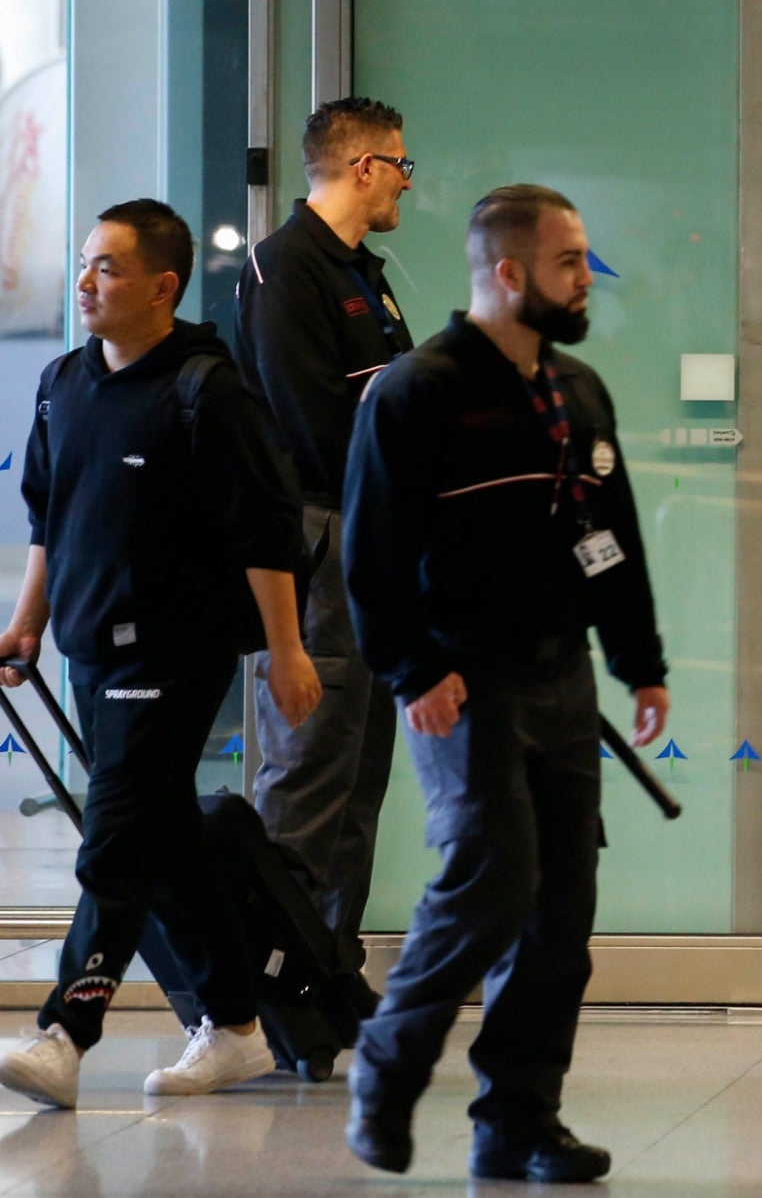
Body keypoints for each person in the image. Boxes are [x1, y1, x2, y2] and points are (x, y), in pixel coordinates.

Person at [340, 184, 669, 1185]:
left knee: (560, 909)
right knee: (494, 883)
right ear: (510, 272)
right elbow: (372, 557)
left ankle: (519, 1121)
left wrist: (639, 662)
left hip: (562, 679)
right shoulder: (418, 391)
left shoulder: (579, 391)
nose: (587, 278)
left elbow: (610, 541)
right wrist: (413, 669)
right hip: (462, 681)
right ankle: (387, 1072)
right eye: (571, 262)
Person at [0, 200, 320, 1109]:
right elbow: (49, 518)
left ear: (163, 286)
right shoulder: (63, 383)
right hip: (90, 648)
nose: (86, 281)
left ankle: (66, 1030)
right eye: (84, 264)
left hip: (177, 651)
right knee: (164, 839)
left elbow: (264, 533)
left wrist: (287, 653)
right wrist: (28, 623)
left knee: (114, 839)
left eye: (106, 266)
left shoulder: (206, 390)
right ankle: (235, 1024)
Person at [234, 96, 414, 982]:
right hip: (323, 537)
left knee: (356, 775)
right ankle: (259, 986)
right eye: (402, 167)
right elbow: (313, 426)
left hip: (371, 537)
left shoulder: (360, 269)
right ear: (364, 167)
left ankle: (327, 974)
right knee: (307, 771)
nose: (407, 186)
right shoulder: (287, 268)